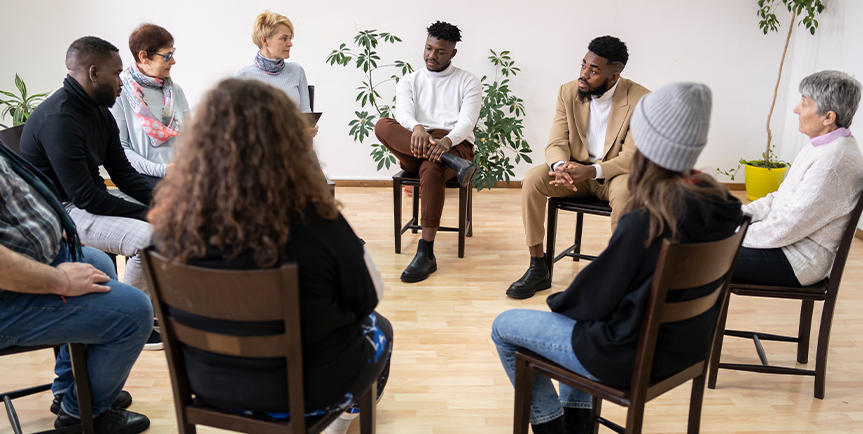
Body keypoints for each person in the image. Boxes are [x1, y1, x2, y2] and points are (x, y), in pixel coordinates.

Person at [492, 82, 743, 434]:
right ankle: (580, 425)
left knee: (506, 326)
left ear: (649, 144)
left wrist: (560, 300)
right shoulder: (724, 207)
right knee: (585, 319)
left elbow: (587, 302)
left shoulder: (648, 220)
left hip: (628, 357)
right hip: (685, 348)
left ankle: (554, 430)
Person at [148, 78, 391, 434]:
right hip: (304, 389)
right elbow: (368, 297)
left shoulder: (172, 226)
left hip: (209, 383)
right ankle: (339, 419)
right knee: (379, 327)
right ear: (288, 142)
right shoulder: (314, 221)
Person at [0, 140, 152, 434]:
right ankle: (79, 414)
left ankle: (72, 390)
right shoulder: (60, 116)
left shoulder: (99, 114)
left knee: (100, 264)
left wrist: (57, 229)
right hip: (7, 295)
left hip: (40, 253)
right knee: (135, 314)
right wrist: (61, 281)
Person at [508, 36, 650, 299]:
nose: (583, 74)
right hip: (575, 172)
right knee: (532, 179)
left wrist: (592, 171)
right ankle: (538, 265)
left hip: (615, 175)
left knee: (627, 193)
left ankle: (619, 276)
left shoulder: (641, 99)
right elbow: (556, 142)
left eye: (594, 70)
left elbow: (632, 158)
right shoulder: (568, 91)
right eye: (583, 64)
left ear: (614, 76)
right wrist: (560, 166)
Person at [374, 21, 481, 283]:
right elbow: (402, 113)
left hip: (456, 144)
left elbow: (467, 121)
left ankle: (426, 252)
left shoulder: (468, 81)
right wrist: (418, 128)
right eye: (428, 48)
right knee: (382, 124)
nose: (432, 55)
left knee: (432, 167)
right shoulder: (410, 80)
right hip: (416, 142)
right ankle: (448, 161)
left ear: (452, 53)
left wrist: (448, 141)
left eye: (440, 51)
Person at [734, 70, 863, 287]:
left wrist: (735, 233)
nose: (796, 109)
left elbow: (789, 226)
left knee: (697, 256)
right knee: (696, 243)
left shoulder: (832, 161)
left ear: (828, 117)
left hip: (799, 260)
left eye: (804, 103)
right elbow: (779, 198)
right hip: (785, 244)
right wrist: (739, 217)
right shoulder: (822, 146)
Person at [112, 23, 191, 188]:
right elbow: (121, 150)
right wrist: (162, 170)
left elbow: (191, 139)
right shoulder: (121, 94)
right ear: (143, 57)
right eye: (167, 56)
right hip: (144, 178)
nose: (174, 61)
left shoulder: (176, 91)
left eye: (172, 53)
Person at [234, 10, 318, 137]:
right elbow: (235, 123)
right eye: (284, 38)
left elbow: (305, 113)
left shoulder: (297, 71)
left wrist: (309, 128)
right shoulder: (243, 76)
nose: (290, 43)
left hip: (292, 148)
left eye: (290, 38)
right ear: (265, 41)